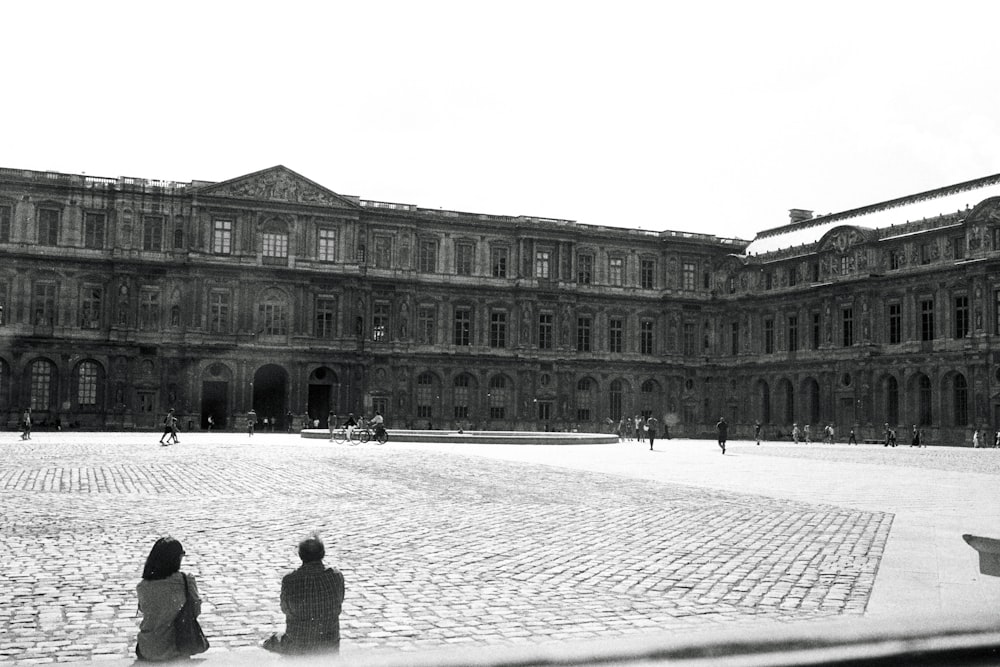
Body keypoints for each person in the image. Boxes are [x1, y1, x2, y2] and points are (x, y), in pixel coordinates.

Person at [263, 535, 345, 655]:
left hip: (298, 644)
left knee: (269, 642)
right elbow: (339, 601)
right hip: (329, 643)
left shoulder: (290, 579)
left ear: (301, 555)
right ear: (323, 553)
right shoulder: (336, 576)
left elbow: (285, 608)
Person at [136, 536, 202, 662]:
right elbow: (196, 610)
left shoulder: (143, 586)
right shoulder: (186, 580)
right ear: (176, 558)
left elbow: (146, 611)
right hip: (176, 647)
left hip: (147, 648)